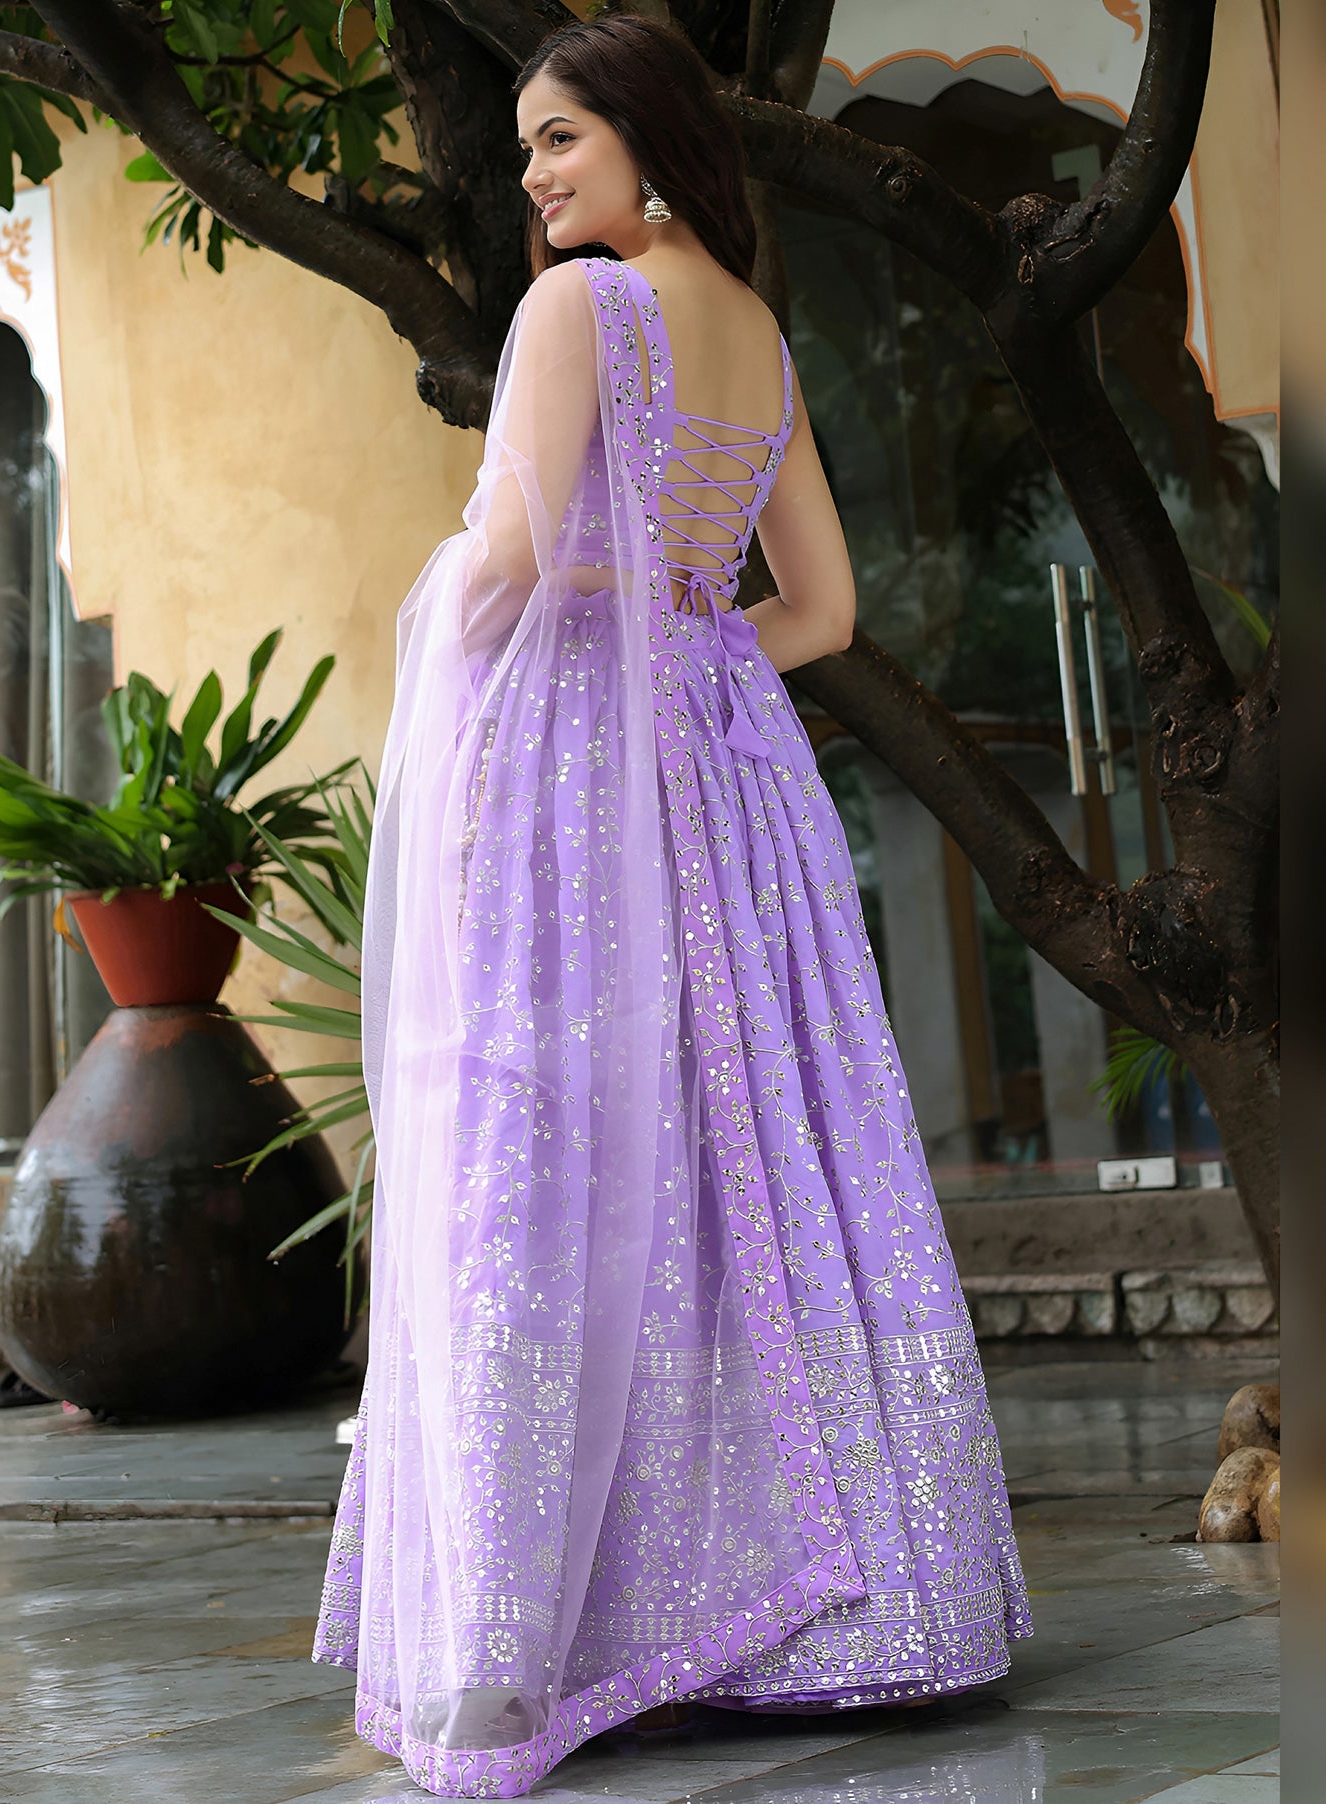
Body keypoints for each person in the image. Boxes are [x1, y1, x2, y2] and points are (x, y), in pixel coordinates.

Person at [312, 13, 1031, 1798]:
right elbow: (827, 613)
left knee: (546, 1146)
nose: (539, 172)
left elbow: (503, 556)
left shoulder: (580, 312)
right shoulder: (763, 336)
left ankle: (539, 1630)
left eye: (563, 139)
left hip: (573, 766)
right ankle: (855, 1597)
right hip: (725, 772)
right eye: (532, 145)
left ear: (644, 140)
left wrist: (479, 692)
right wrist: (693, 651)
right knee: (760, 1146)